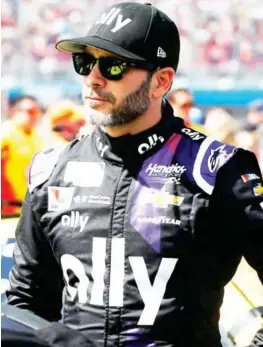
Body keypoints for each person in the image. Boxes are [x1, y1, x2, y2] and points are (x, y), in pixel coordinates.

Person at [6, 3, 263, 347]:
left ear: (161, 81)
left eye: (113, 66)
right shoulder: (51, 169)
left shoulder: (216, 169)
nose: (93, 78)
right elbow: (25, 303)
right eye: (84, 61)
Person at [1, 95, 44, 216]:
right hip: (7, 208)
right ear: (15, 112)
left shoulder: (36, 137)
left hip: (27, 208)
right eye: (30, 111)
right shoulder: (6, 135)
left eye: (37, 111)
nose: (34, 115)